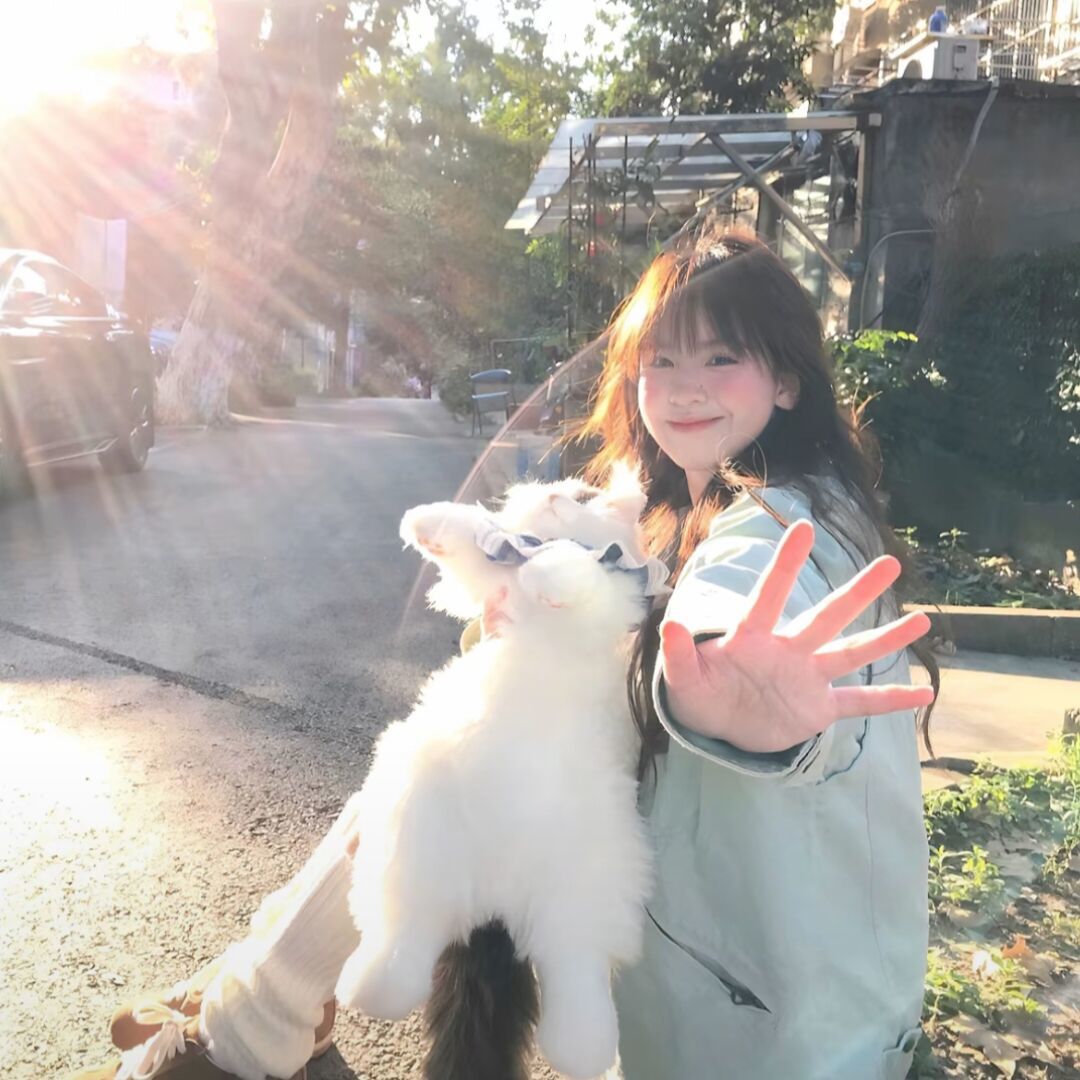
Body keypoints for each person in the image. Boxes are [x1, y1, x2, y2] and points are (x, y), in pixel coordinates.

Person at [71, 232, 936, 1080]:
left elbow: (729, 626)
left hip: (778, 1028)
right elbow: (609, 625)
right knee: (463, 748)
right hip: (761, 987)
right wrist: (520, 625)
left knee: (455, 763)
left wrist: (706, 693)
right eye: (661, 361)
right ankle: (262, 996)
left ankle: (260, 1010)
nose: (684, 387)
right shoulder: (706, 500)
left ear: (785, 377)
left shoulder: (781, 526)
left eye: (720, 359)